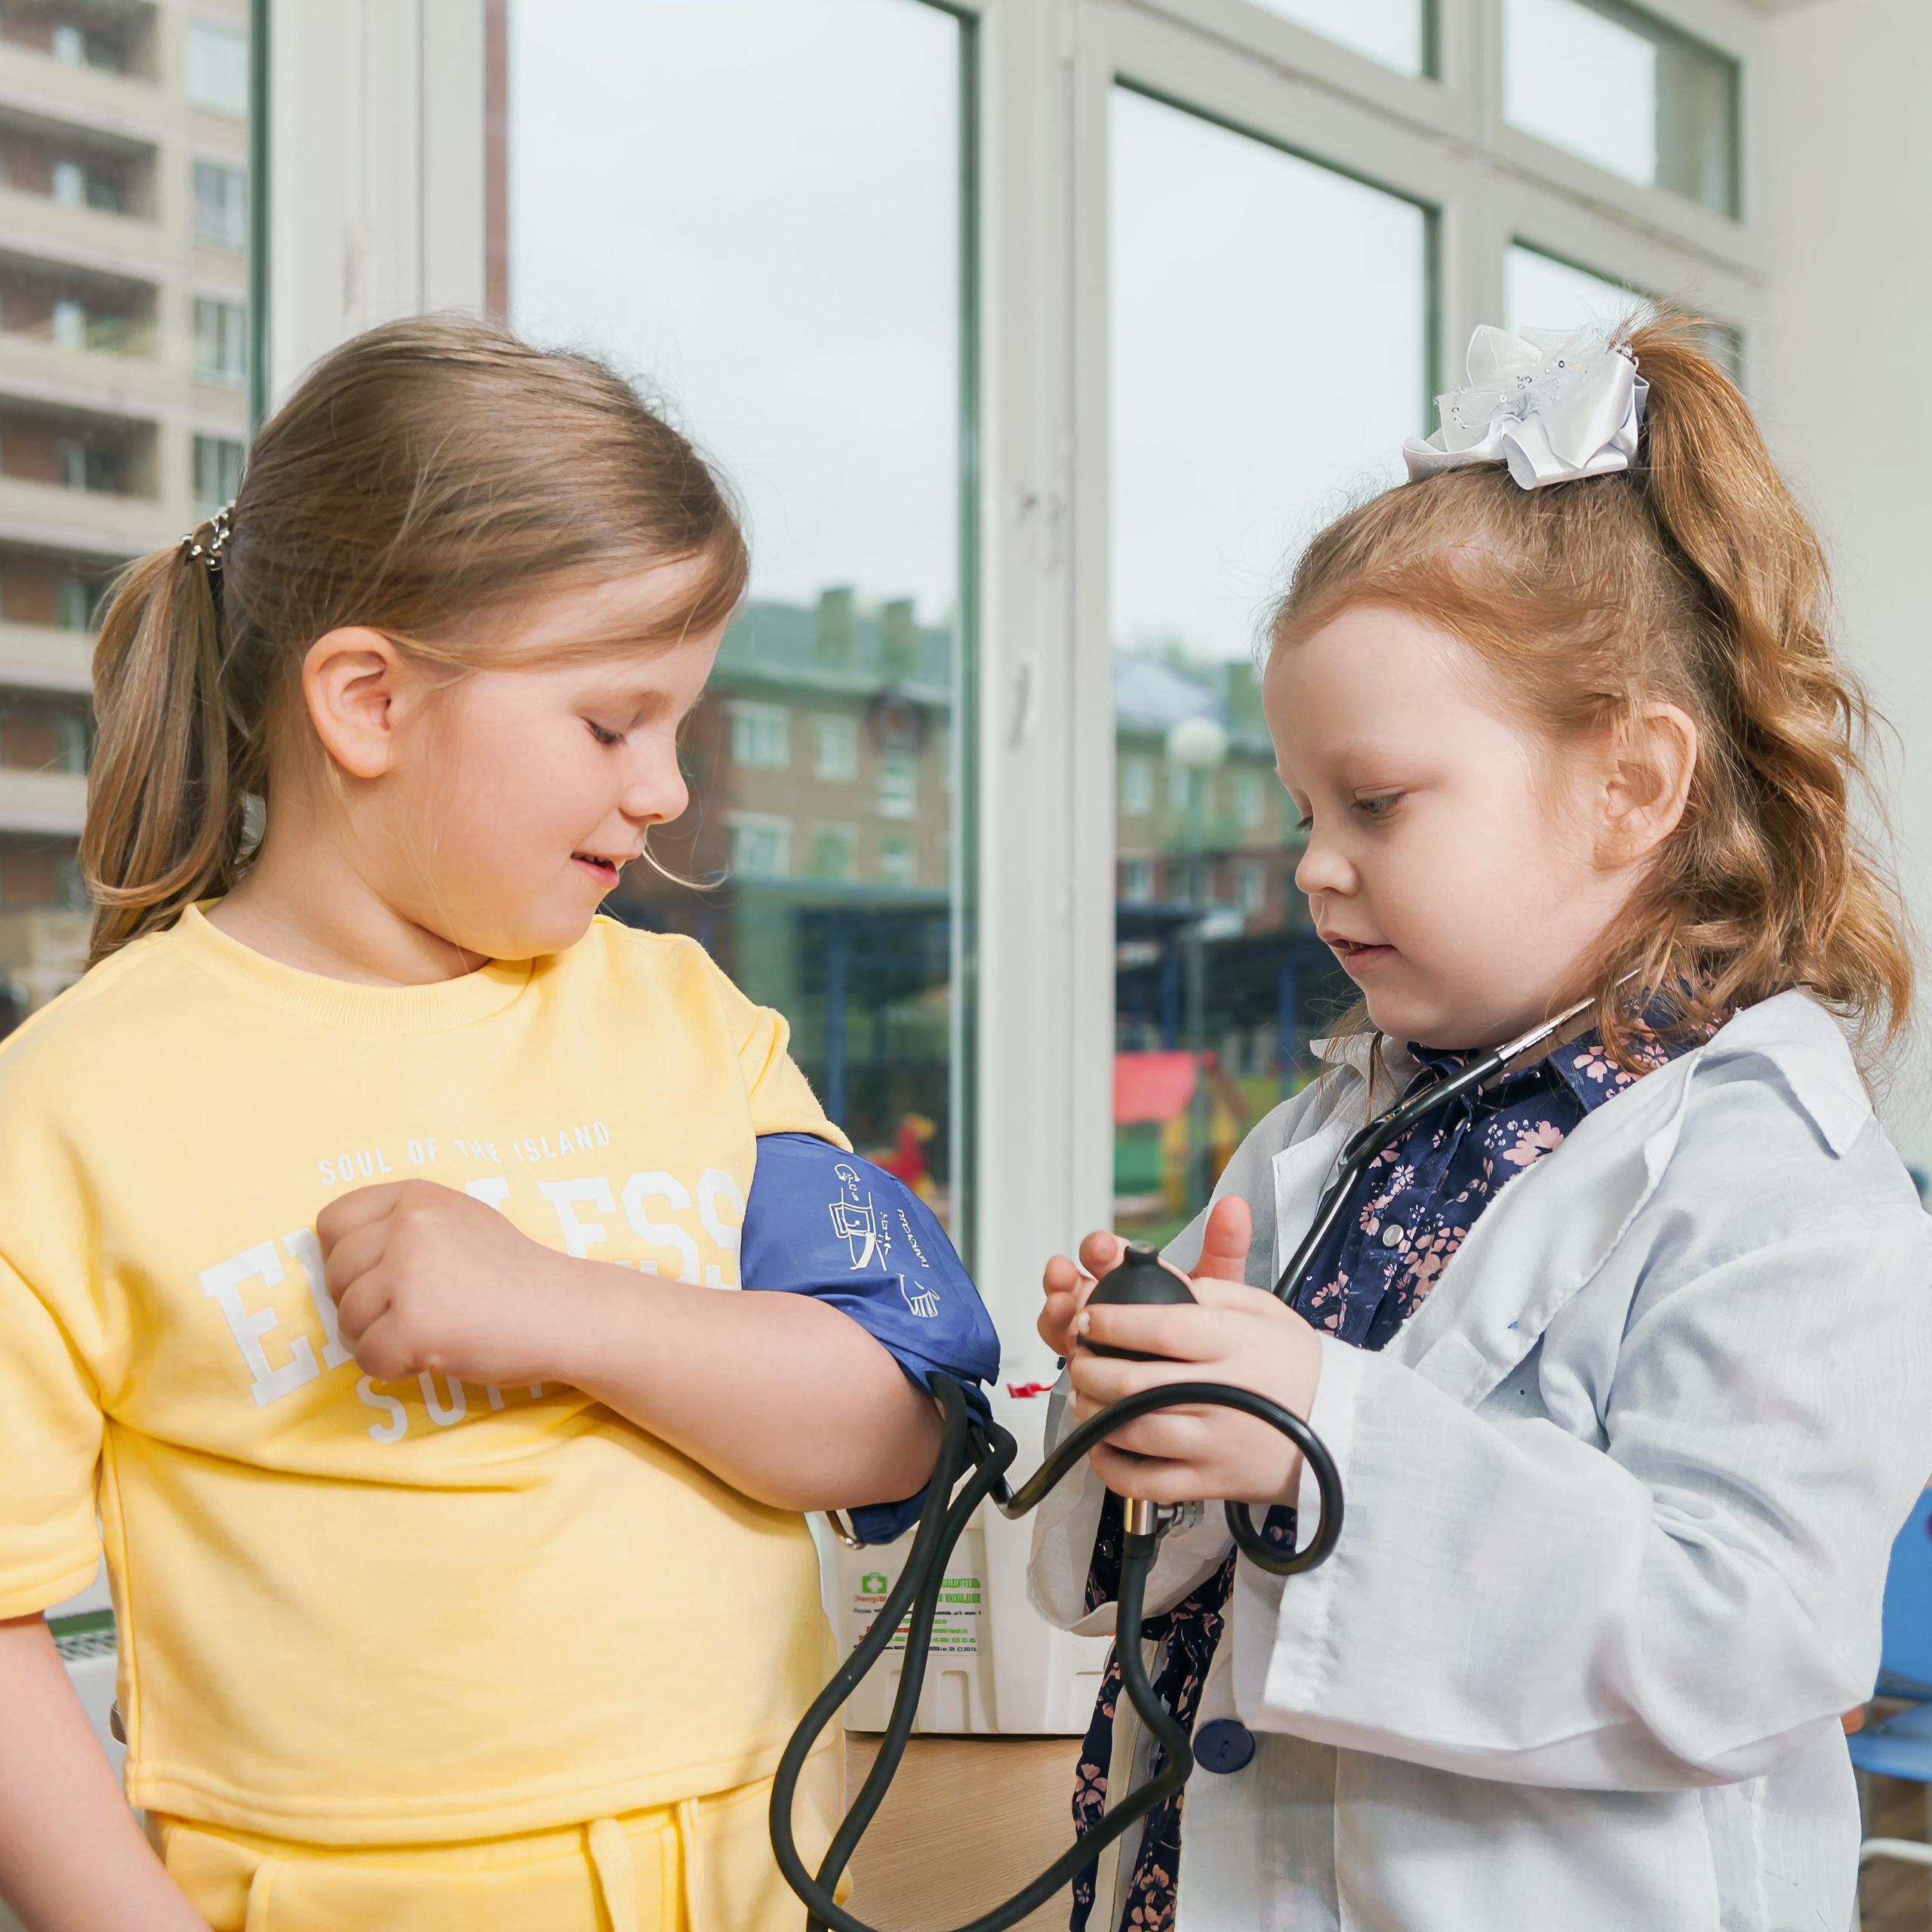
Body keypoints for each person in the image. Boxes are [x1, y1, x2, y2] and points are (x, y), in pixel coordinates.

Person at [0, 315, 995, 1932]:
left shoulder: (694, 1024)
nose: (666, 786)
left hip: (769, 1881)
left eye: (679, 722)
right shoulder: (68, 1105)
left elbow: (892, 1418)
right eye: (613, 723)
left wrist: (563, 1307)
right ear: (370, 701)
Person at [1029, 313, 1932, 1932]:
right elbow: (1175, 1551)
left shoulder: (1772, 1181)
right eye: (1303, 811)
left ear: (1631, 783)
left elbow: (1748, 1637)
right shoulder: (1328, 1136)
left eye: (1373, 802)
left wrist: (1320, 1438)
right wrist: (1143, 1403)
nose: (1313, 863)